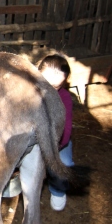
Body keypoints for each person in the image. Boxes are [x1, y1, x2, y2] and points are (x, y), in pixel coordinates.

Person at [38, 53, 75, 211]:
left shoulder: (64, 98)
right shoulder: (27, 92)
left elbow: (66, 130)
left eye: (56, 86)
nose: (49, 89)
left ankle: (58, 190)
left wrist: (53, 148)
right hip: (32, 139)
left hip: (56, 142)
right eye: (45, 83)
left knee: (64, 163)